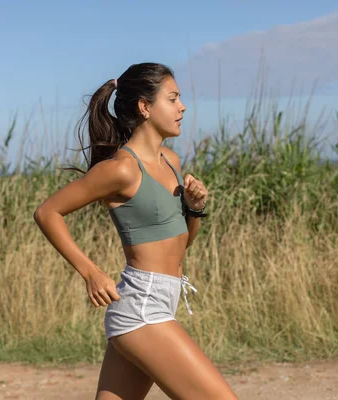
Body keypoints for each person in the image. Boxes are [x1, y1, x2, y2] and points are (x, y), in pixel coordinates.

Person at [33, 62, 238, 400]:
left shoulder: (170, 160)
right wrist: (91, 273)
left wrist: (195, 208)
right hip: (142, 305)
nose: (182, 106)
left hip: (160, 299)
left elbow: (181, 246)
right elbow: (47, 212)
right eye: (172, 99)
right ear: (145, 107)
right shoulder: (121, 169)